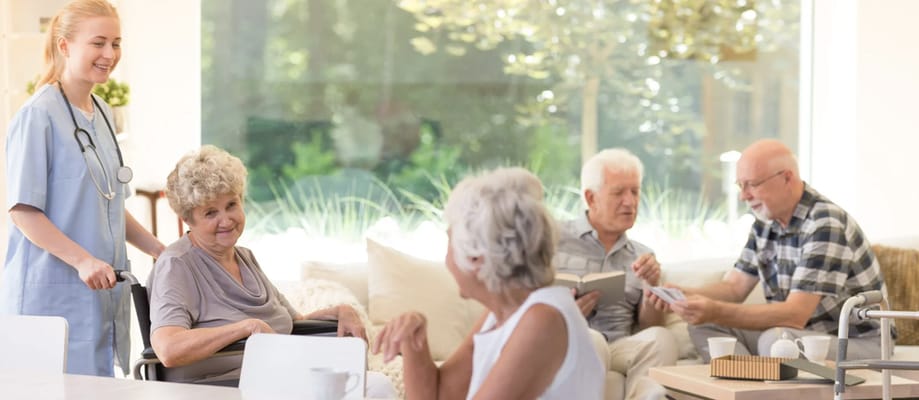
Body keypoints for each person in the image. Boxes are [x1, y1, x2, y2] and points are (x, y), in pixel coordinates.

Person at [148, 145, 396, 394]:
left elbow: (293, 322)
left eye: (231, 205)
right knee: (374, 387)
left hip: (277, 374)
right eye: (211, 212)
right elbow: (168, 348)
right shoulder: (177, 265)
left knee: (369, 384)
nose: (226, 220)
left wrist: (341, 310)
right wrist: (245, 327)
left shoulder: (244, 257)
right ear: (188, 219)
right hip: (223, 386)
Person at [2, 0, 165, 377]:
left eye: (116, 43)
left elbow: (107, 202)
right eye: (98, 42)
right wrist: (83, 260)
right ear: (64, 45)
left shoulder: (103, 112)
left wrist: (158, 248)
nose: (110, 54)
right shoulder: (37, 116)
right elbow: (23, 210)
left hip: (98, 291)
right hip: (52, 294)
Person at [373, 167, 605, 400]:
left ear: (476, 257)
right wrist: (414, 338)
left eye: (449, 241)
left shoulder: (543, 319)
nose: (446, 258)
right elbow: (440, 395)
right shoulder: (502, 314)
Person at [650, 139, 890, 362]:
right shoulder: (765, 224)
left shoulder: (824, 222)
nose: (744, 196)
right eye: (740, 186)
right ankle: (747, 391)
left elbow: (795, 315)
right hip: (800, 334)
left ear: (787, 178)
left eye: (752, 184)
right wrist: (684, 294)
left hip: (859, 341)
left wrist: (715, 310)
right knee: (705, 327)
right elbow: (733, 288)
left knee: (776, 341)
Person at [555, 148, 676, 400]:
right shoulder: (553, 240)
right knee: (592, 339)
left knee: (661, 338)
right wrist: (566, 314)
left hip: (620, 345)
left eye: (635, 191)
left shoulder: (643, 256)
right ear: (590, 198)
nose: (630, 202)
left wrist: (651, 287)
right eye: (619, 192)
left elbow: (649, 326)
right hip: (568, 340)